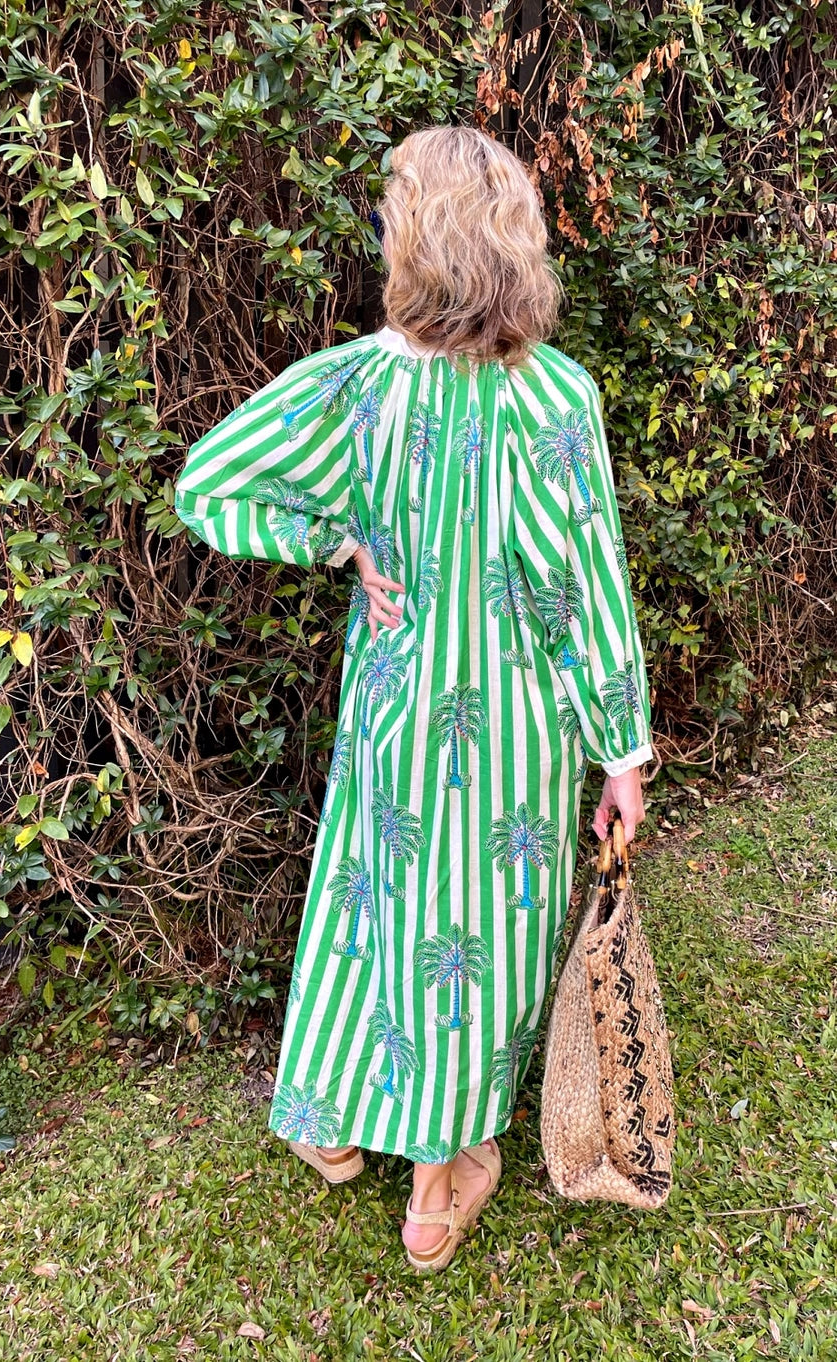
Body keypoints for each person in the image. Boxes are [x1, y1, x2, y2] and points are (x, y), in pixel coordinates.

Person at [174, 125, 652, 1272]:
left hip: (394, 707)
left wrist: (339, 542)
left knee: (374, 902)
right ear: (514, 242)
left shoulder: (357, 385)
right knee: (476, 939)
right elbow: (583, 587)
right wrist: (620, 750)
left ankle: (333, 1121)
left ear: (412, 242)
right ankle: (436, 1189)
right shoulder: (554, 399)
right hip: (513, 730)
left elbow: (209, 482)